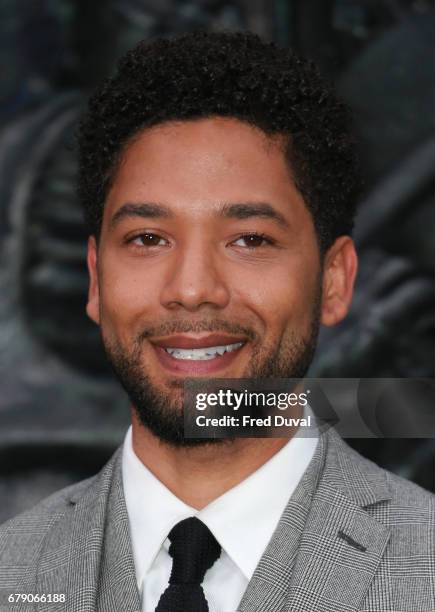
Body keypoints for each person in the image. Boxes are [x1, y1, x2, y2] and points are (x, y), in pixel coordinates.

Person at [0, 31, 433, 612]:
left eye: (250, 240)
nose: (193, 289)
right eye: (148, 239)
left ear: (335, 280)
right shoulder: (14, 569)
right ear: (97, 278)